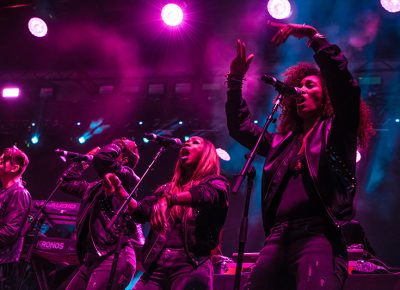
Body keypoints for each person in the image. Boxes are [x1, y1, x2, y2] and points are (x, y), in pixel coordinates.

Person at [225, 22, 374, 290]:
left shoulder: (336, 132)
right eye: (299, 87)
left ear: (326, 94)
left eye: (309, 85)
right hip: (277, 237)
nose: (301, 91)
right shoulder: (281, 143)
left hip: (318, 234)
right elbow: (241, 127)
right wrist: (235, 81)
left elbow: (347, 90)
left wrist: (314, 37)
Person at [105, 136, 230, 290]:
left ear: (207, 154)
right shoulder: (166, 189)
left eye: (195, 142)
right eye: (187, 141)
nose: (187, 143)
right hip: (156, 266)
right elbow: (140, 212)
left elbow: (205, 194)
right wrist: (120, 190)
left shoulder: (217, 183)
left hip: (192, 264)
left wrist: (170, 200)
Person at [60, 138, 144, 290]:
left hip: (113, 256)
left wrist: (117, 144)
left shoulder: (129, 177)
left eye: (118, 148)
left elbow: (102, 159)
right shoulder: (92, 188)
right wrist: (83, 162)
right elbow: (65, 182)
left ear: (124, 158)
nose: (108, 148)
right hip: (92, 259)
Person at [0, 146, 31, 289]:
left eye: (2, 161)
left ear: (14, 168)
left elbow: (10, 232)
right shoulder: (4, 192)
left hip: (4, 263)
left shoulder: (19, 193)